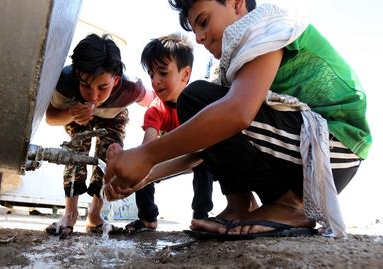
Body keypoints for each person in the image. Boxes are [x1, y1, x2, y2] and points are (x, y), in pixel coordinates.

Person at [104, 0, 371, 239]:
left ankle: (288, 206)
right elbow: (204, 148)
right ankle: (240, 205)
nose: (198, 38)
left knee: (197, 100)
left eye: (204, 21)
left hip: (334, 147)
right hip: (305, 150)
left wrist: (146, 155)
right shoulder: (235, 68)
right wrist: (144, 176)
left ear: (236, 3)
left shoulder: (266, 23)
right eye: (194, 30)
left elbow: (237, 114)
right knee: (204, 112)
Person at [45, 33, 155, 238]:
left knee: (111, 153)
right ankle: (70, 213)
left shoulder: (131, 87)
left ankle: (95, 215)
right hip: (75, 114)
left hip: (113, 116)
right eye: (85, 85)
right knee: (76, 149)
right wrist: (70, 113)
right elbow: (51, 118)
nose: (94, 96)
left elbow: (153, 98)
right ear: (77, 74)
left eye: (103, 87)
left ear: (116, 79)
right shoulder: (65, 81)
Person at [124, 33, 221, 234]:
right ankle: (147, 217)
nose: (155, 81)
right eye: (151, 75)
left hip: (200, 156)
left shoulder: (202, 104)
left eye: (163, 73)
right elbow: (147, 149)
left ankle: (201, 216)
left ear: (185, 74)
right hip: (170, 159)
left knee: (205, 163)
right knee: (141, 168)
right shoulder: (156, 109)